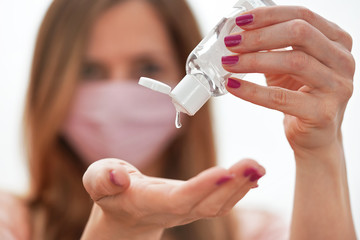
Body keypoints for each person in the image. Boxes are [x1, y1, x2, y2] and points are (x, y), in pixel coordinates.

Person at [0, 0, 356, 239]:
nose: (119, 95)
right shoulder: (10, 223)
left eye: (148, 67)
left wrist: (319, 150)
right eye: (91, 70)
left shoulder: (256, 232)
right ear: (49, 87)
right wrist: (121, 229)